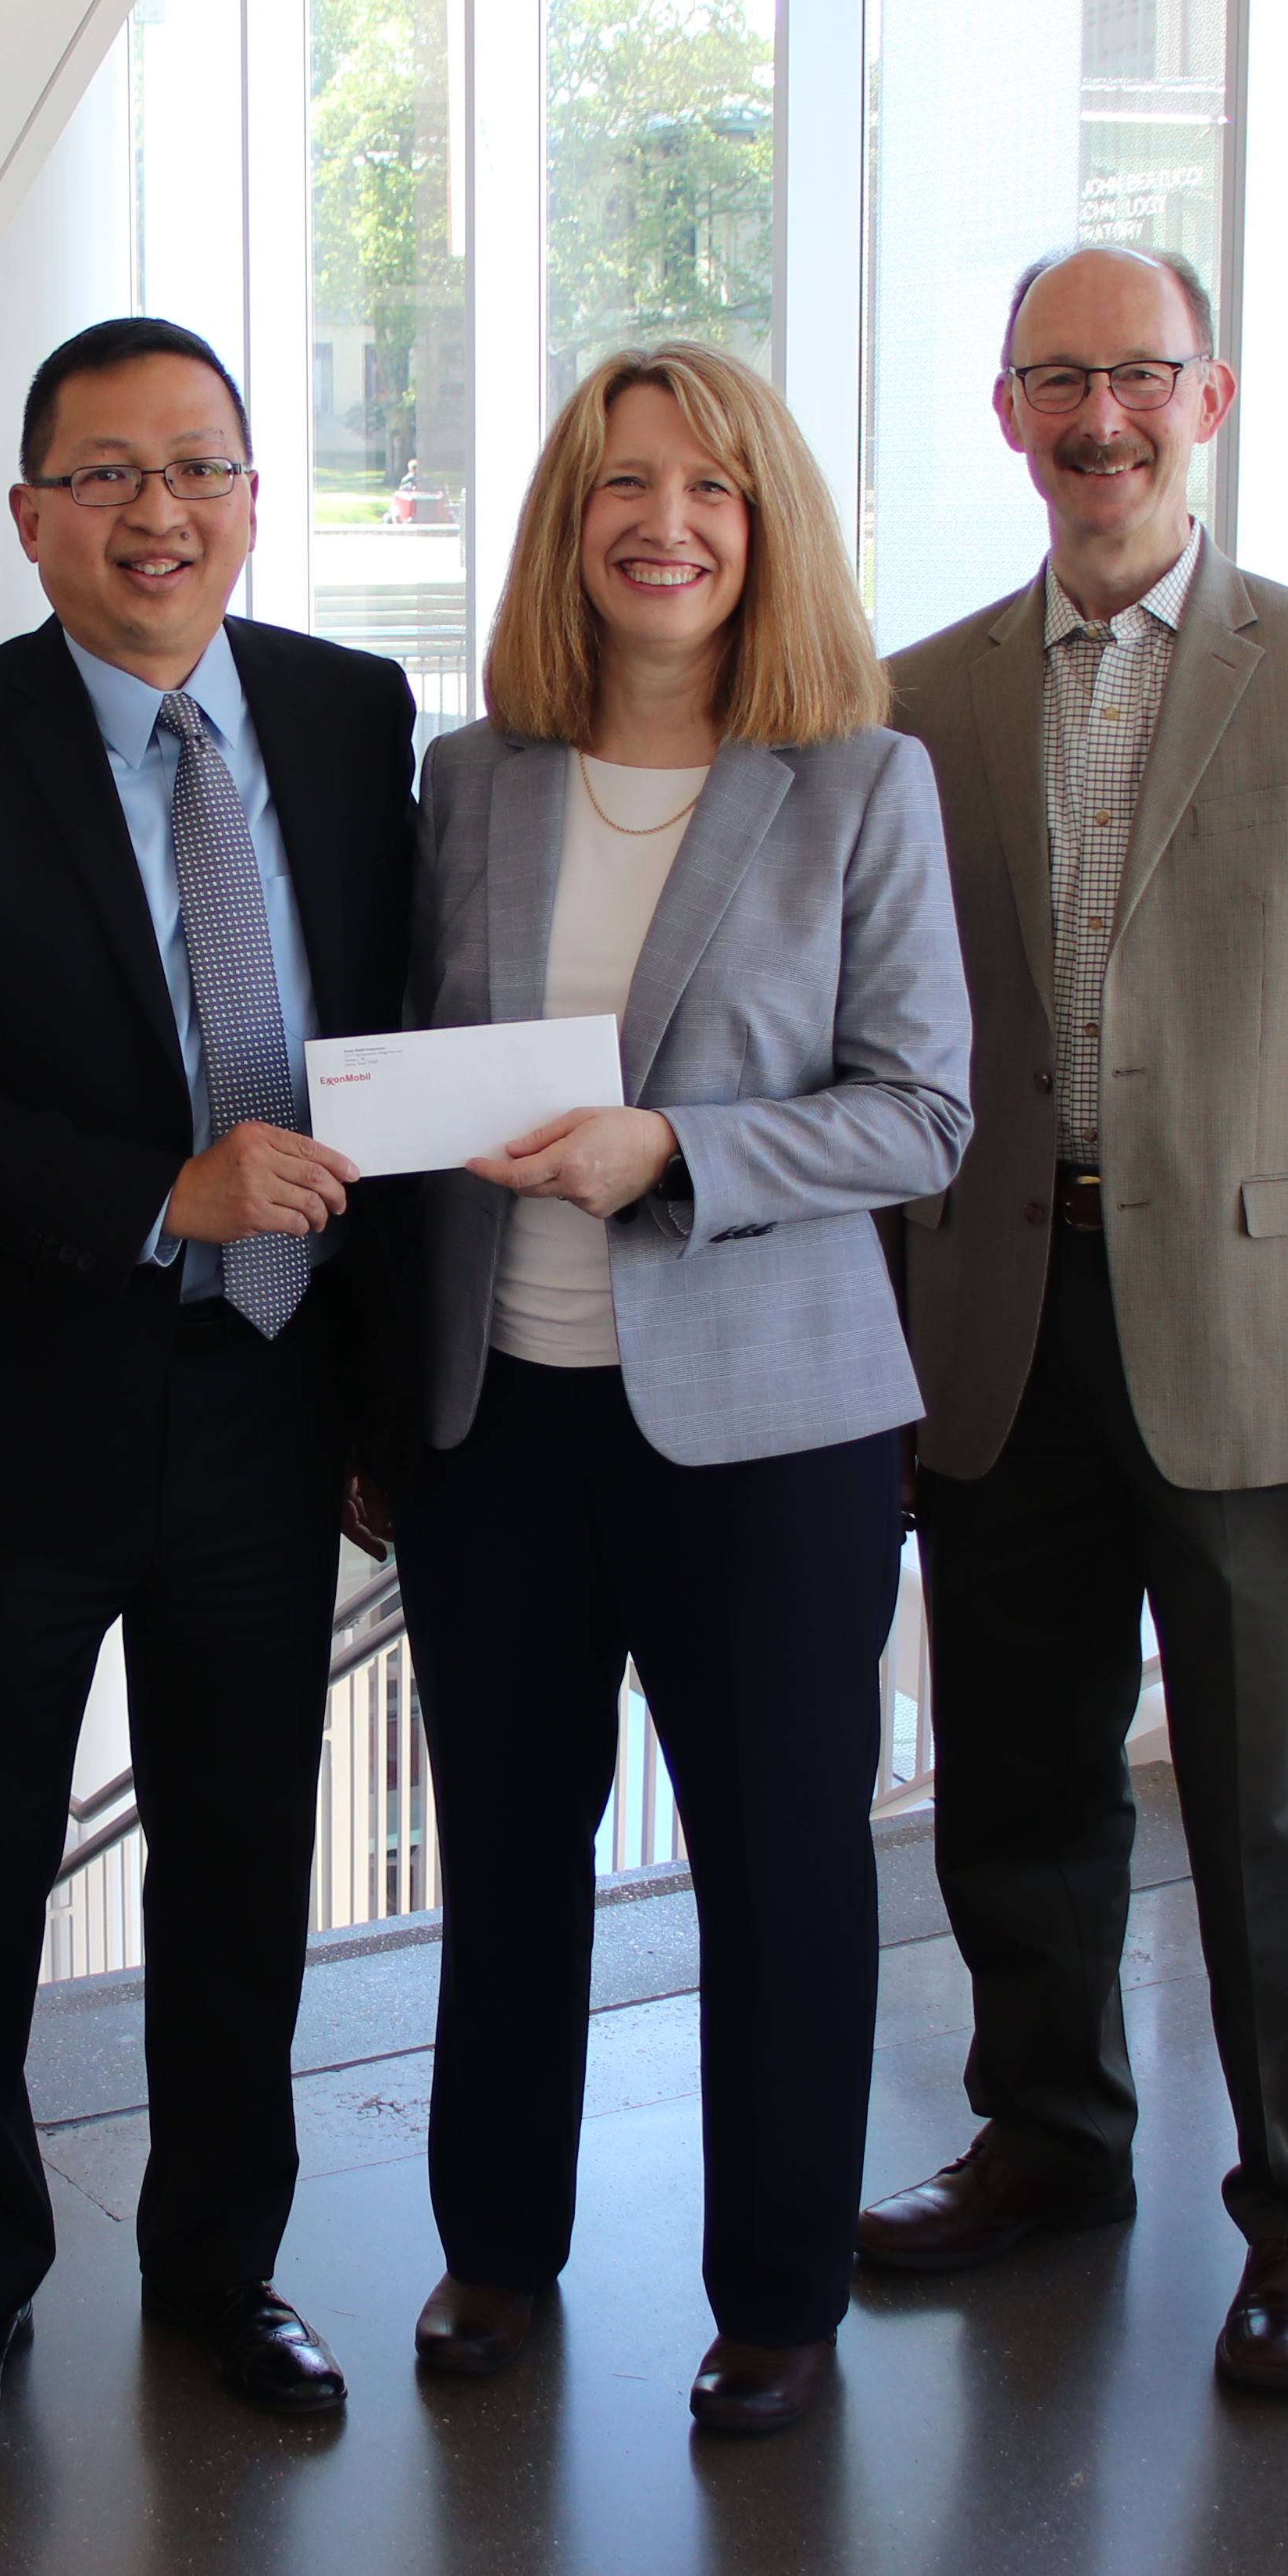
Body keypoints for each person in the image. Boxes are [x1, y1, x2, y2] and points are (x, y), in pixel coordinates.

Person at [0, 317, 419, 2456]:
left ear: (252, 492)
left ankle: (222, 2268)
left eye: (203, 468)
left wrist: (390, 1397)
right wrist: (160, 1191)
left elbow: (388, 1040)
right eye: (108, 474)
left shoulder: (348, 718)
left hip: (267, 1403)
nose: (162, 513)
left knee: (246, 1861)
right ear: (34, 511)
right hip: (20, 1406)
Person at [862, 244, 1288, 2392]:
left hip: (1251, 1339)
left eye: (1138, 375)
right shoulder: (918, 697)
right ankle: (1048, 2142)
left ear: (1210, 397)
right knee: (1014, 1777)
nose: (1097, 416)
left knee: (1269, 1809)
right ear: (1005, 412)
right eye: (1057, 380)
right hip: (996, 1323)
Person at [388, 344, 971, 2438]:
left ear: (766, 526)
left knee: (785, 1861)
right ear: (571, 524)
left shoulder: (859, 783)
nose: (667, 522)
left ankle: (782, 2295)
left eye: (712, 489)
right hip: (498, 1417)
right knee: (511, 1860)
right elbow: (411, 1079)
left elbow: (923, 1114)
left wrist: (683, 1157)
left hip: (774, 1432)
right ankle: (491, 2251)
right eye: (626, 485)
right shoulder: (476, 779)